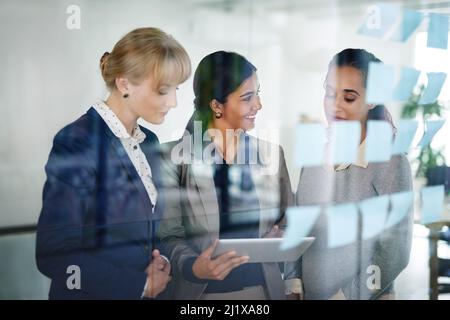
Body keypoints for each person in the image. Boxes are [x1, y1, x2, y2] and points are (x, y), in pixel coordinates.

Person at [35, 27, 191, 299]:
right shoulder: (78, 141)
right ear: (124, 84)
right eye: (163, 90)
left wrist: (161, 261)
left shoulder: (148, 141)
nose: (174, 102)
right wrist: (139, 285)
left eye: (175, 89)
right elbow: (54, 252)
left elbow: (146, 232)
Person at [157, 51, 295, 300]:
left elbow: (288, 222)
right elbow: (168, 236)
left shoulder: (272, 154)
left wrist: (279, 239)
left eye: (258, 93)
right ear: (216, 105)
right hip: (201, 296)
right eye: (247, 97)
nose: (258, 105)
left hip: (263, 294)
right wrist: (193, 266)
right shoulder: (173, 158)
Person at [292, 48, 413, 300]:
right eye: (329, 94)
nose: (335, 106)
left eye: (348, 98)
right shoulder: (314, 158)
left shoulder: (390, 162)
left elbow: (395, 248)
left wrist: (348, 296)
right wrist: (293, 284)